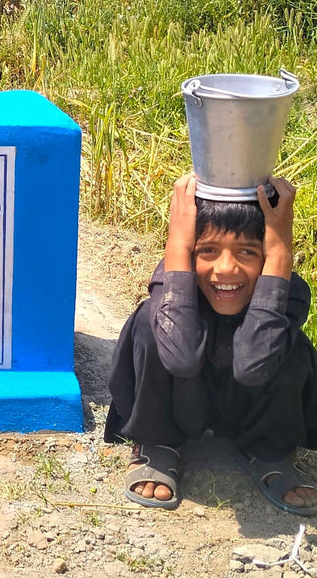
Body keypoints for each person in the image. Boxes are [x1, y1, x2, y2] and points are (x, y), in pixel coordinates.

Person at [105, 173, 317, 515]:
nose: (226, 268)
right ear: (188, 253)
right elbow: (180, 359)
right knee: (150, 323)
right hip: (181, 406)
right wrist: (177, 247)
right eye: (207, 250)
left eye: (248, 251)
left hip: (250, 411)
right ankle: (158, 442)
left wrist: (280, 254)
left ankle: (268, 449)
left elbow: (254, 366)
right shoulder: (172, 280)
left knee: (283, 341)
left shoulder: (287, 291)